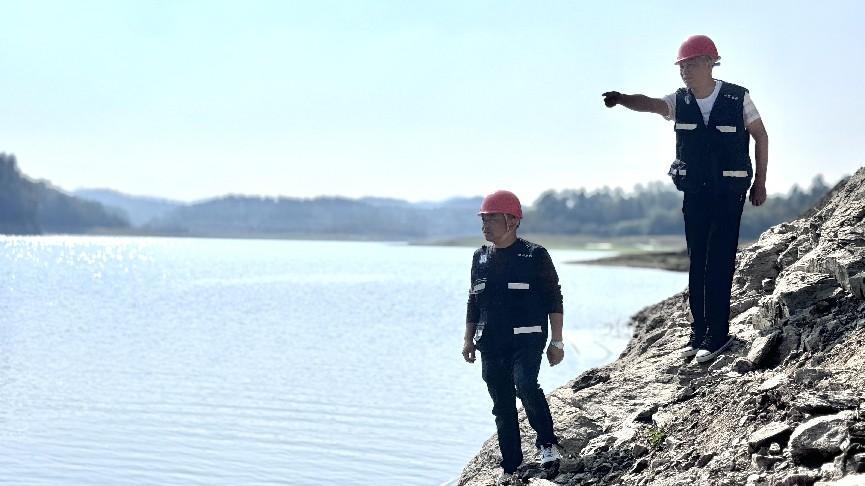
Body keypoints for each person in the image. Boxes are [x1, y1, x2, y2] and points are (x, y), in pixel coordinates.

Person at [601, 34, 769, 364]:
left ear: (709, 63)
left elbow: (761, 136)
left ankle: (717, 335)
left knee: (719, 261)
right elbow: (650, 103)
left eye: (690, 64)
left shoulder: (738, 98)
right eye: (681, 66)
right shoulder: (680, 101)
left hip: (728, 193)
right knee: (698, 261)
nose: (685, 71)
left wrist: (760, 183)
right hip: (695, 193)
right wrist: (622, 99)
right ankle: (699, 332)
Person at [462, 190, 565, 484]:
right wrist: (468, 339)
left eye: (492, 219)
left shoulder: (535, 255)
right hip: (490, 341)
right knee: (502, 404)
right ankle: (511, 465)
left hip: (527, 338)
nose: (485, 226)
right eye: (483, 220)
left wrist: (556, 341)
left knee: (526, 384)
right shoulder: (480, 257)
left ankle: (547, 444)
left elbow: (554, 298)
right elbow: (473, 300)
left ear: (512, 221)